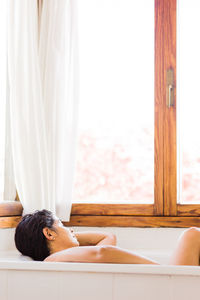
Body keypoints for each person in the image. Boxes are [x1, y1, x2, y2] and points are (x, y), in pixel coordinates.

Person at [14, 209, 200, 266]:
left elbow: (107, 237)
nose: (71, 230)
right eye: (63, 225)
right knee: (191, 235)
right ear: (49, 233)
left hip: (163, 278)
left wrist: (69, 238)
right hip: (164, 278)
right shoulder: (54, 259)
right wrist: (157, 269)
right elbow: (102, 252)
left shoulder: (66, 257)